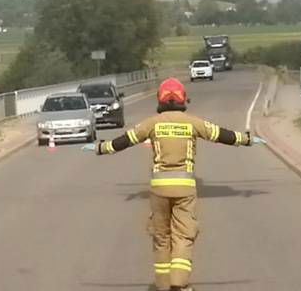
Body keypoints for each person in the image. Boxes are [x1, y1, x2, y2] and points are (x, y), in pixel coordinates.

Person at [82, 77, 265, 291]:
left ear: (159, 99)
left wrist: (100, 148)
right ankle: (179, 283)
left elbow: (125, 140)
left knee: (161, 237)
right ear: (183, 98)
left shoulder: (152, 123)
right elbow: (220, 134)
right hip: (184, 188)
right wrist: (247, 140)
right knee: (183, 236)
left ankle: (162, 285)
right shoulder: (192, 122)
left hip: (159, 188)